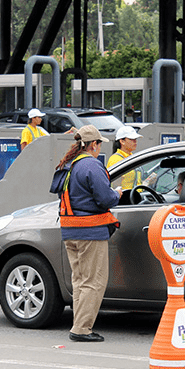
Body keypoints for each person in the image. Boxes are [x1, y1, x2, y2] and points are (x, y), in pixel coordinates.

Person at [56, 125, 122, 342]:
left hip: (70, 231)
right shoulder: (92, 166)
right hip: (90, 232)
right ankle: (82, 329)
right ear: (94, 144)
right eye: (99, 143)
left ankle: (79, 324)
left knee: (80, 280)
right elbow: (106, 199)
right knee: (93, 281)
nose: (99, 147)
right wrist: (117, 193)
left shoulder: (69, 165)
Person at [107, 126, 143, 190]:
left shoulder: (132, 157)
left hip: (135, 197)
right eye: (131, 139)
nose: (135, 141)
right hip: (125, 198)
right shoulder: (115, 159)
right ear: (122, 141)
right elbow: (116, 188)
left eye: (136, 139)